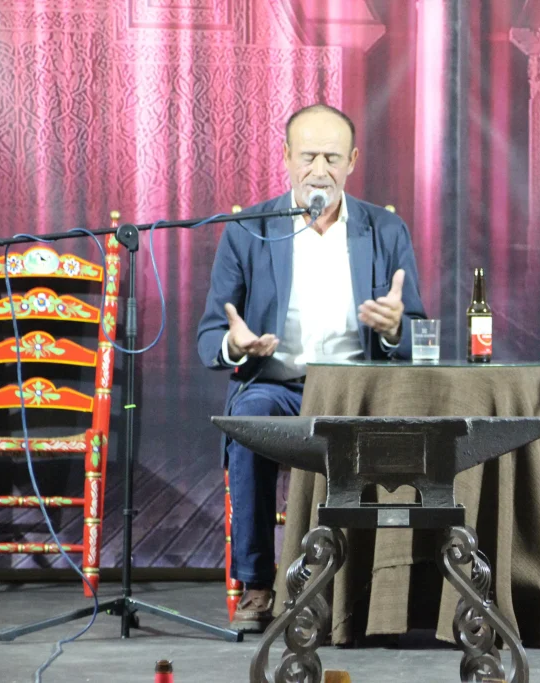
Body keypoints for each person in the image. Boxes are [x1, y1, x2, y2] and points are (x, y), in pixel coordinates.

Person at [197, 104, 426, 632]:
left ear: (352, 162)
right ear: (285, 158)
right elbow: (211, 335)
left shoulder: (384, 229)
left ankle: (384, 586)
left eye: (331, 157)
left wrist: (394, 328)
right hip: (279, 387)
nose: (319, 169)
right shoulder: (249, 229)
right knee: (249, 419)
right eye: (308, 157)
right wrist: (237, 344)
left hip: (361, 391)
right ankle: (257, 585)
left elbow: (416, 331)